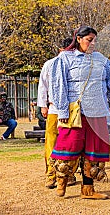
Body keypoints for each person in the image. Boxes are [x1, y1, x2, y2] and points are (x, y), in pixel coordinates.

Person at [49, 26, 110, 199]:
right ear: (78, 39)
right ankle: (62, 183)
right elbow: (58, 85)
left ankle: (88, 190)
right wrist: (62, 109)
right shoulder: (65, 58)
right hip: (75, 113)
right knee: (68, 148)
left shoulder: (102, 60)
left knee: (94, 153)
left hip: (97, 113)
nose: (92, 43)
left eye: (94, 40)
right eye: (89, 40)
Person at [37, 38, 77, 189]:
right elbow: (43, 85)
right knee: (51, 143)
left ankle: (69, 173)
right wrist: (43, 106)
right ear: (61, 49)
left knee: (71, 143)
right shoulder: (50, 64)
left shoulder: (76, 65)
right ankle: (51, 175)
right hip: (54, 109)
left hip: (72, 110)